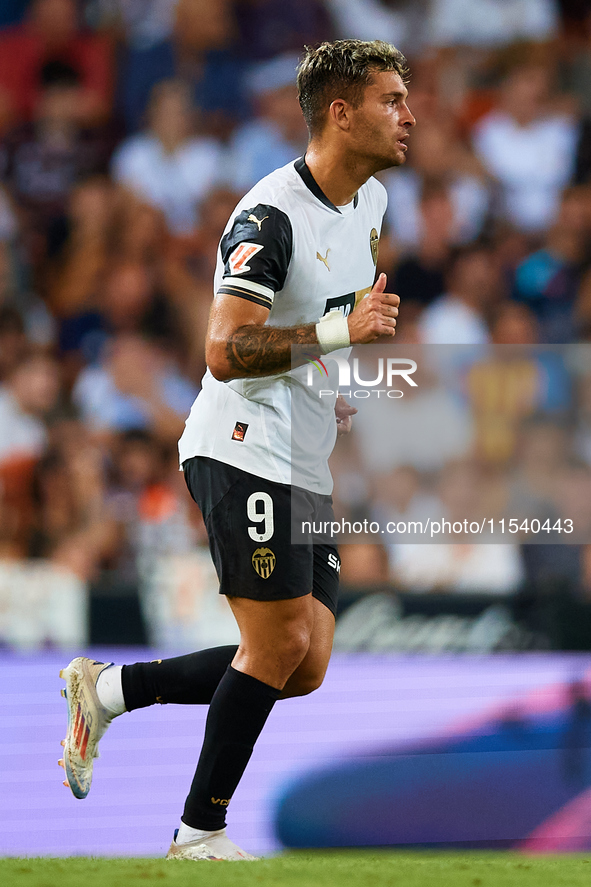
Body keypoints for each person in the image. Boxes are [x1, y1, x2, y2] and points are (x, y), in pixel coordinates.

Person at [58, 38, 415, 861]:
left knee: (306, 660)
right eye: (391, 99)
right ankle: (199, 831)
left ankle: (107, 690)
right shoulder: (268, 215)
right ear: (340, 110)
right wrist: (337, 331)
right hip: (239, 443)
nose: (408, 115)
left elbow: (329, 316)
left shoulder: (367, 205)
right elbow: (223, 349)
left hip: (303, 449)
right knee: (276, 645)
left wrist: (336, 378)